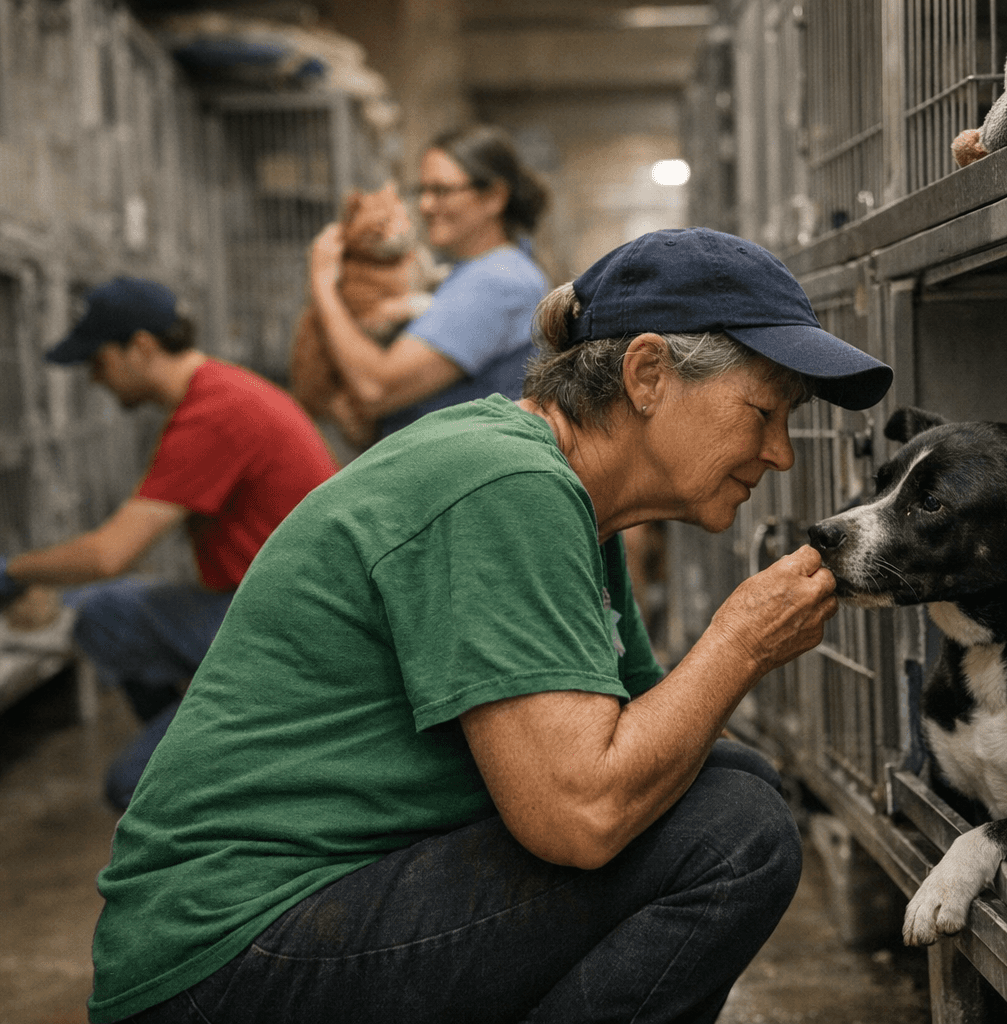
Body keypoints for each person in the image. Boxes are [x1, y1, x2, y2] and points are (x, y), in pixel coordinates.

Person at [85, 228, 894, 1024]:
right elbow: (582, 816)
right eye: (763, 411)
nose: (781, 453)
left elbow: (648, 747)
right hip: (223, 956)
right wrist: (741, 640)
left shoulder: (573, 506)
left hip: (303, 915)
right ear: (647, 373)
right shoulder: (503, 483)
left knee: (734, 782)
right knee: (732, 834)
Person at [0, 277, 338, 811]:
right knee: (106, 611)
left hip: (296, 632)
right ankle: (206, 730)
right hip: (264, 605)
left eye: (98, 362)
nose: (95, 379)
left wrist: (14, 570)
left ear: (140, 347)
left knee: (133, 787)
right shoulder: (218, 392)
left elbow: (110, 553)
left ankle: (216, 765)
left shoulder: (215, 412)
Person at [307, 124, 550, 441]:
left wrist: (323, 283)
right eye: (421, 190)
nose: (424, 205)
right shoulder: (466, 272)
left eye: (441, 191)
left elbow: (375, 389)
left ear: (494, 197)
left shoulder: (499, 280)